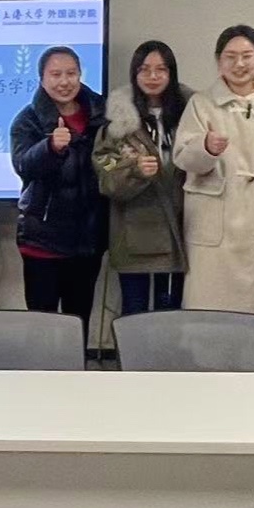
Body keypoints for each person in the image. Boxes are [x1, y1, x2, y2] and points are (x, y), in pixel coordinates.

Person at [174, 25, 254, 360]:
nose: (239, 64)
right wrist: (206, 147)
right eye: (230, 57)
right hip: (217, 230)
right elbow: (183, 158)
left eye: (247, 56)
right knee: (213, 318)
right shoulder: (202, 105)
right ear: (218, 61)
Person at [10, 45, 108, 329]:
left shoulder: (100, 114)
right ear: (42, 79)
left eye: (71, 73)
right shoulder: (27, 120)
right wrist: (50, 147)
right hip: (42, 242)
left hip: (86, 242)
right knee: (43, 329)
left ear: (80, 74)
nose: (64, 81)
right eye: (55, 75)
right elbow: (23, 165)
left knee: (78, 323)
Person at [94, 40, 190, 315]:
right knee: (134, 315)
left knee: (170, 317)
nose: (153, 76)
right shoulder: (117, 124)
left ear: (171, 74)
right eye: (144, 69)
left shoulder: (190, 116)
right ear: (134, 74)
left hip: (179, 233)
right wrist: (135, 171)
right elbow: (106, 178)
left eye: (161, 69)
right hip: (134, 236)